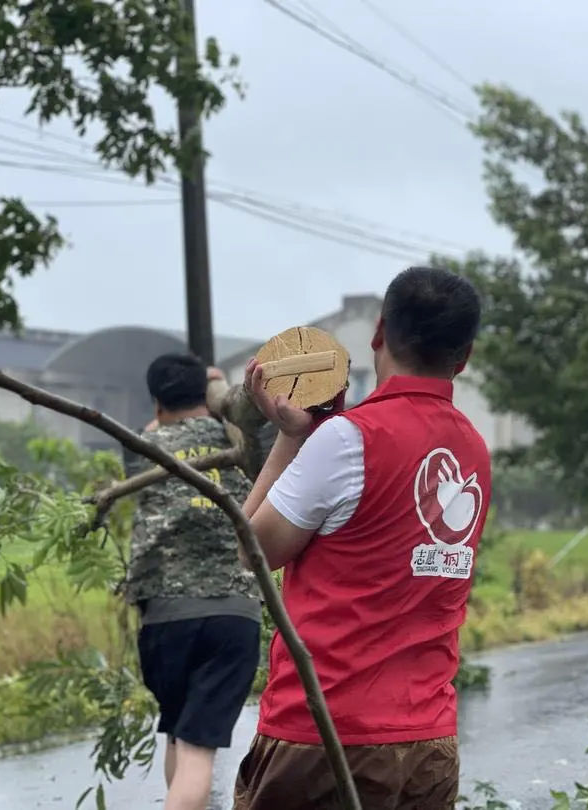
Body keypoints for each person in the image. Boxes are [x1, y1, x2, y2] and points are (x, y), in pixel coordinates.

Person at [234, 266, 492, 810]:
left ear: (378, 334)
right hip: (428, 745)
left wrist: (289, 438)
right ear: (463, 357)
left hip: (327, 737)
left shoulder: (349, 439)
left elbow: (252, 551)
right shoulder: (473, 451)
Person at [123, 353, 262, 810]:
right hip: (230, 615)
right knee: (198, 752)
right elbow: (245, 421)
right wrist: (220, 392)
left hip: (163, 616)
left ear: (158, 401)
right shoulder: (237, 442)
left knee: (179, 735)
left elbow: (154, 428)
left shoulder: (142, 446)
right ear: (204, 395)